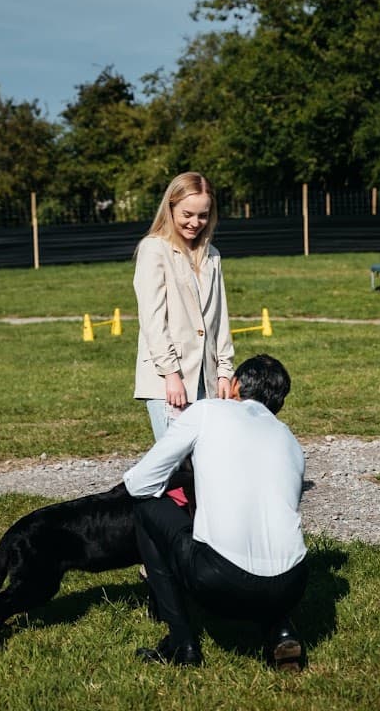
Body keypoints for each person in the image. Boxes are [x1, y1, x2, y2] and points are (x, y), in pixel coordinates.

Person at [123, 354, 308, 672]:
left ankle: (182, 644)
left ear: (235, 384)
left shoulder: (207, 412)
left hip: (221, 582)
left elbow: (139, 483)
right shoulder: (289, 438)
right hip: (293, 583)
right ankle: (281, 630)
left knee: (145, 507)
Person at [133, 171, 234, 505]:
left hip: (206, 379)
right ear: (171, 208)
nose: (195, 222)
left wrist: (224, 370)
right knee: (173, 467)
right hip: (169, 381)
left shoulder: (213, 255)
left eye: (203, 215)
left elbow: (219, 317)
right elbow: (152, 319)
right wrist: (170, 374)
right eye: (187, 215)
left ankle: (203, 537)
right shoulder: (154, 250)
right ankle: (163, 543)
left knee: (206, 463)